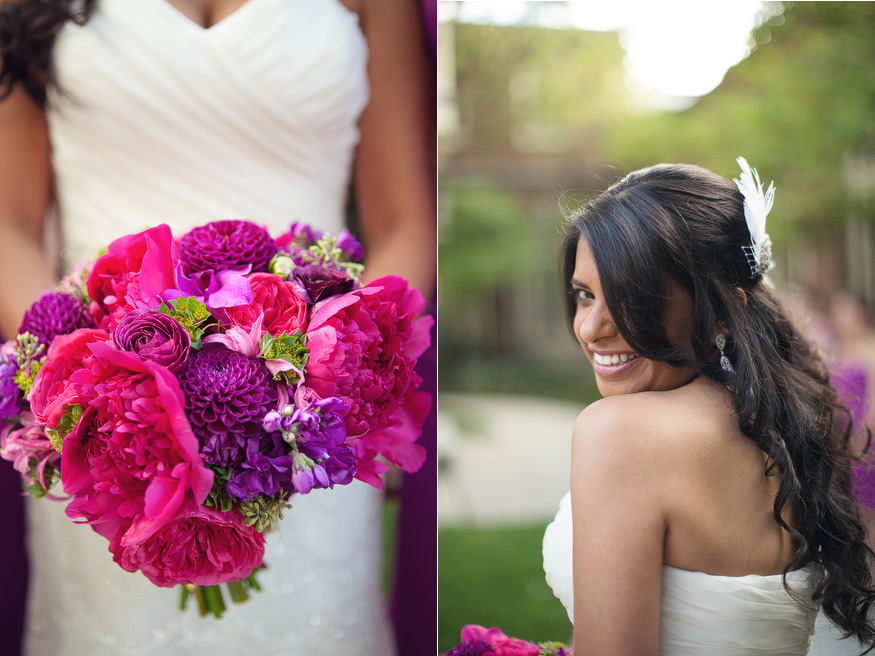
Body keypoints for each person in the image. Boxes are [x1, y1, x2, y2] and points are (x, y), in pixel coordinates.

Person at [0, 0, 435, 654]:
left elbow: (406, 220)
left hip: (308, 421)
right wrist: (79, 379)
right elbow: (9, 222)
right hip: (107, 428)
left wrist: (328, 373)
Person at [541, 161, 875, 654]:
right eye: (584, 295)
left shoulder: (618, 434)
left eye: (632, 298)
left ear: (722, 310)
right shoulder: (785, 422)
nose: (592, 328)